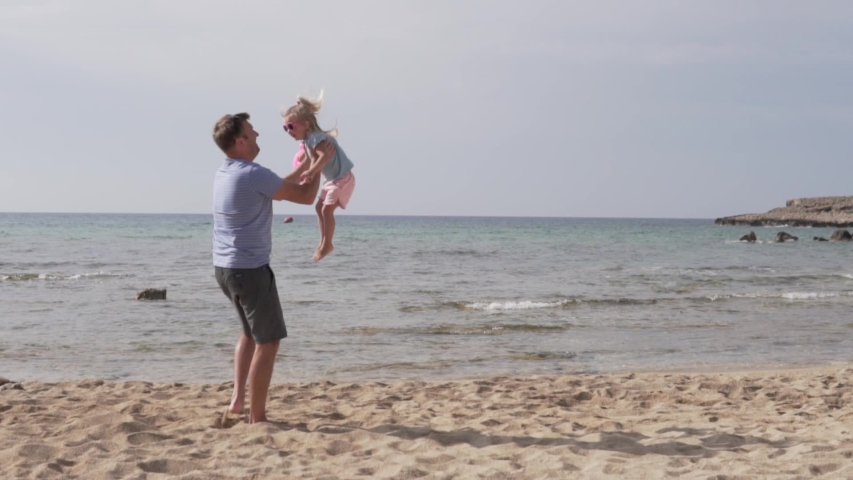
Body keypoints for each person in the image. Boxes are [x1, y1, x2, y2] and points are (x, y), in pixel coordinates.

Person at [211, 112, 333, 424]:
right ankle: (258, 417)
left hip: (225, 269)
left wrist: (307, 165)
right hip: (250, 271)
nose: (257, 136)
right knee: (269, 341)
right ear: (240, 141)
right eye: (252, 133)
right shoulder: (253, 174)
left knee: (249, 335)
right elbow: (306, 198)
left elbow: (275, 186)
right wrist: (321, 161)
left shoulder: (228, 171)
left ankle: (238, 402)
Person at [282, 93, 356, 261]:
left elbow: (324, 156)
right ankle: (323, 243)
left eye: (291, 126)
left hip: (342, 179)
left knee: (326, 210)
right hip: (332, 180)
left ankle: (327, 244)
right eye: (285, 128)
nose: (288, 131)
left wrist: (311, 171)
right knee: (319, 208)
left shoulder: (316, 138)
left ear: (306, 124)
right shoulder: (308, 140)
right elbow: (312, 158)